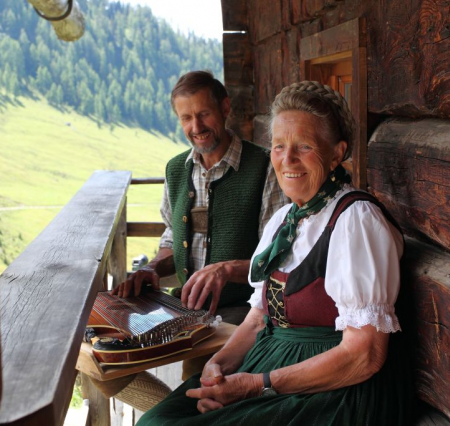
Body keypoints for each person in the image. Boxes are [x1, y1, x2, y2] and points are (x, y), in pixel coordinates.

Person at [136, 81, 412, 425]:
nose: (287, 159)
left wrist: (256, 386)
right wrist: (219, 366)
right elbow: (257, 318)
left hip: (333, 390)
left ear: (337, 153)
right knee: (158, 418)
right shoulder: (284, 220)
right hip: (269, 368)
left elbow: (364, 355)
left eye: (304, 146)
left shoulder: (355, 221)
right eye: (279, 146)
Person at [112, 70, 287, 327]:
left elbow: (276, 255)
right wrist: (153, 268)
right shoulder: (175, 170)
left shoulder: (264, 166)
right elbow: (173, 235)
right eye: (186, 118)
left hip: (247, 312)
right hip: (185, 310)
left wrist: (225, 270)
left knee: (207, 367)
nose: (196, 127)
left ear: (225, 107)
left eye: (204, 114)